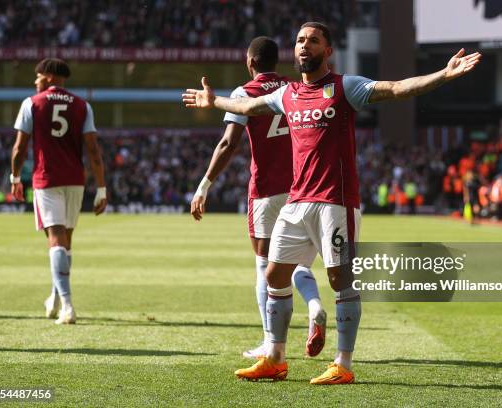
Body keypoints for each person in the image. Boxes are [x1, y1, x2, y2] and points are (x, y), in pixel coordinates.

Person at [183, 22, 481, 384]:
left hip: (335, 201)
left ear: (328, 51)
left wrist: (443, 75)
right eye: (299, 41)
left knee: (341, 280)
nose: (304, 46)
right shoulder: (288, 94)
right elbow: (250, 105)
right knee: (275, 274)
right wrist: (213, 101)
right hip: (296, 200)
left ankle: (343, 363)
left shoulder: (345, 87)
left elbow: (397, 89)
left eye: (313, 41)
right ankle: (275, 357)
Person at [189, 37, 326, 359]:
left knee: (265, 266)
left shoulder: (244, 93)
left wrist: (204, 185)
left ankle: (270, 342)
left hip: (265, 192)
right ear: (276, 62)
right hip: (300, 188)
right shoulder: (294, 89)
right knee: (298, 264)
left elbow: (228, 144)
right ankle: (316, 304)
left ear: (250, 62)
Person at [10, 58, 107, 324]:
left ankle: (67, 305)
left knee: (55, 239)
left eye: (38, 76)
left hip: (47, 179)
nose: (35, 81)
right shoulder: (82, 106)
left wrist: (15, 177)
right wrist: (101, 187)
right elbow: (93, 150)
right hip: (75, 180)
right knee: (66, 242)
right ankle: (55, 298)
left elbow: (19, 148)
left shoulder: (32, 103)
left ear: (50, 77)